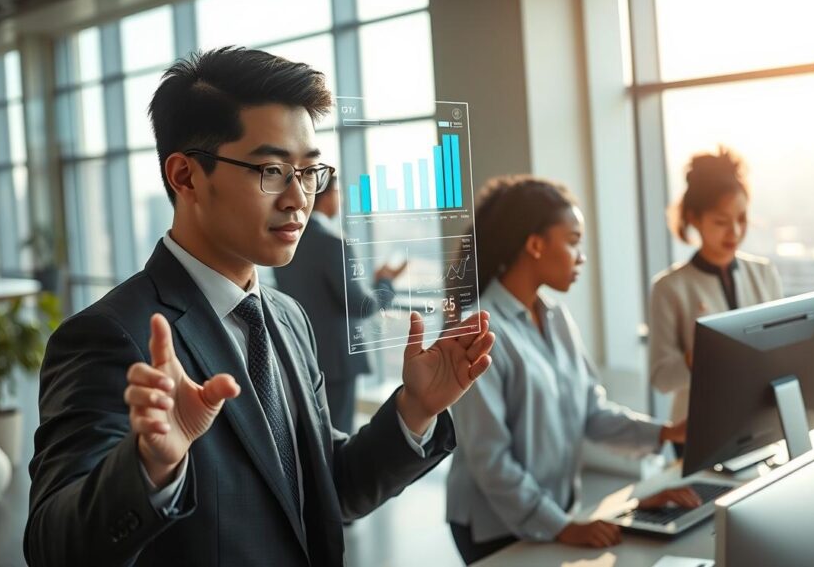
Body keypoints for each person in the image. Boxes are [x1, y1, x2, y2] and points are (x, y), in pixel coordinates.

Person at [24, 47, 495, 567]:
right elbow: (52, 547)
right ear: (185, 177)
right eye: (272, 170)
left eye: (310, 171)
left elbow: (328, 490)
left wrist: (416, 409)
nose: (298, 197)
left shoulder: (288, 319)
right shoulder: (111, 336)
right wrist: (147, 470)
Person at [445, 176, 698, 565]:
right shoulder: (478, 329)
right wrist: (562, 525)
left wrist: (665, 432)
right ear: (535, 244)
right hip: (493, 526)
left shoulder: (557, 318)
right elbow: (490, 459)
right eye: (573, 240)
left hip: (551, 512)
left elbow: (591, 413)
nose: (581, 256)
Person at [649, 147, 783, 425]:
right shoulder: (669, 288)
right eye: (721, 222)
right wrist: (695, 358)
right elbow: (661, 379)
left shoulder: (764, 273)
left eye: (742, 219)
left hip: (759, 419)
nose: (734, 232)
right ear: (695, 219)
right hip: (697, 427)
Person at [275, 173, 407, 434]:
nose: (341, 200)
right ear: (327, 196)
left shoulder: (284, 241)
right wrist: (385, 283)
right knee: (337, 437)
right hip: (337, 362)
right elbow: (360, 305)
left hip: (299, 352)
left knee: (310, 436)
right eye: (339, 194)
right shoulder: (334, 242)